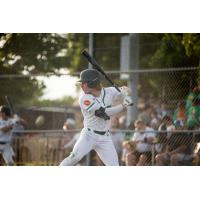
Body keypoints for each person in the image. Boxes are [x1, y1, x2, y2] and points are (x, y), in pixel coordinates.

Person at [59, 69, 133, 166]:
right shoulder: (84, 98)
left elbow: (128, 90)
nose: (81, 86)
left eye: (84, 83)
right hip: (89, 135)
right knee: (74, 158)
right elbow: (104, 113)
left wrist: (125, 91)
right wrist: (123, 106)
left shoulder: (109, 91)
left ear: (92, 83)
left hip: (105, 137)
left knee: (115, 166)